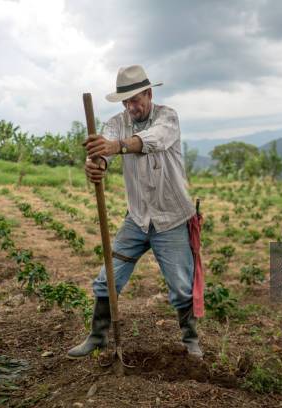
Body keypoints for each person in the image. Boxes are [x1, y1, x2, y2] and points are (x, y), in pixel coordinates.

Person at [67, 65, 202, 359]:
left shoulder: (168, 117)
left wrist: (116, 147)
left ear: (149, 94)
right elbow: (103, 153)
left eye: (136, 100)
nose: (131, 107)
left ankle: (191, 340)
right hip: (138, 218)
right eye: (126, 102)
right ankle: (98, 336)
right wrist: (96, 166)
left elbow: (152, 141)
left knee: (180, 286)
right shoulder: (116, 123)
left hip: (172, 218)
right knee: (108, 278)